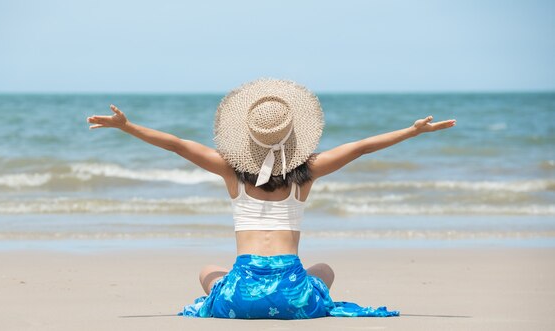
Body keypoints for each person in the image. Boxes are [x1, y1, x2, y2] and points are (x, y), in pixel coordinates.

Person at [87, 78, 455, 319]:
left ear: (246, 139)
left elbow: (178, 145)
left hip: (239, 298)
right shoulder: (306, 174)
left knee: (206, 271)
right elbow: (359, 148)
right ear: (294, 135)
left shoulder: (230, 171)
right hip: (292, 295)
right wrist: (412, 131)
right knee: (324, 270)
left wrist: (127, 126)